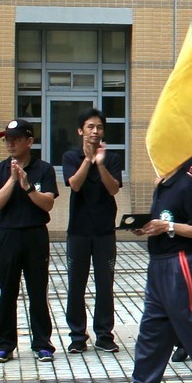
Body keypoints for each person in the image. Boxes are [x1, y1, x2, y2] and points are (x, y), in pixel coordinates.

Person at [109, 166, 192, 383]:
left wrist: (168, 227)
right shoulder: (162, 185)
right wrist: (147, 227)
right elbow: (161, 221)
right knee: (152, 328)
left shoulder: (186, 185)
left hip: (179, 264)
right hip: (158, 263)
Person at [0, 120, 58, 363]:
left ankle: (42, 343)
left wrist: (28, 186)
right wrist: (13, 179)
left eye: (15, 139)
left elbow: (48, 203)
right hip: (8, 234)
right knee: (7, 291)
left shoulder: (44, 169)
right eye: (7, 139)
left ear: (29, 141)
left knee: (38, 290)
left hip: (35, 235)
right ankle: (4, 344)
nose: (10, 143)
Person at [60, 108, 123, 352]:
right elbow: (74, 185)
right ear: (80, 131)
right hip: (78, 231)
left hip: (105, 231)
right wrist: (88, 160)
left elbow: (113, 189)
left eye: (99, 127)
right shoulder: (70, 156)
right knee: (76, 284)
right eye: (90, 127)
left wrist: (100, 163)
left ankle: (104, 335)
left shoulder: (113, 158)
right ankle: (77, 336)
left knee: (105, 284)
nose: (95, 131)